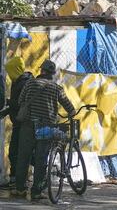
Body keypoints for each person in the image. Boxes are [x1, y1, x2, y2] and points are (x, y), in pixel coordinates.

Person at [12, 60, 75, 200]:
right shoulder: (56, 88)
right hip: (46, 127)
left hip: (28, 125)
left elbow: (20, 101)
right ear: (52, 73)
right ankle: (36, 191)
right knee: (41, 159)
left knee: (24, 157)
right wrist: (71, 113)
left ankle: (20, 189)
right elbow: (69, 107)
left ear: (41, 71)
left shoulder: (30, 83)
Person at [0, 57, 33, 189]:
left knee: (18, 152)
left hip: (24, 123)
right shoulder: (17, 81)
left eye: (10, 71)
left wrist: (8, 103)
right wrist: (7, 111)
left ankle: (19, 181)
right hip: (17, 121)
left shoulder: (25, 82)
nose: (8, 75)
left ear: (15, 70)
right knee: (14, 152)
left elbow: (22, 104)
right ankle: (15, 179)